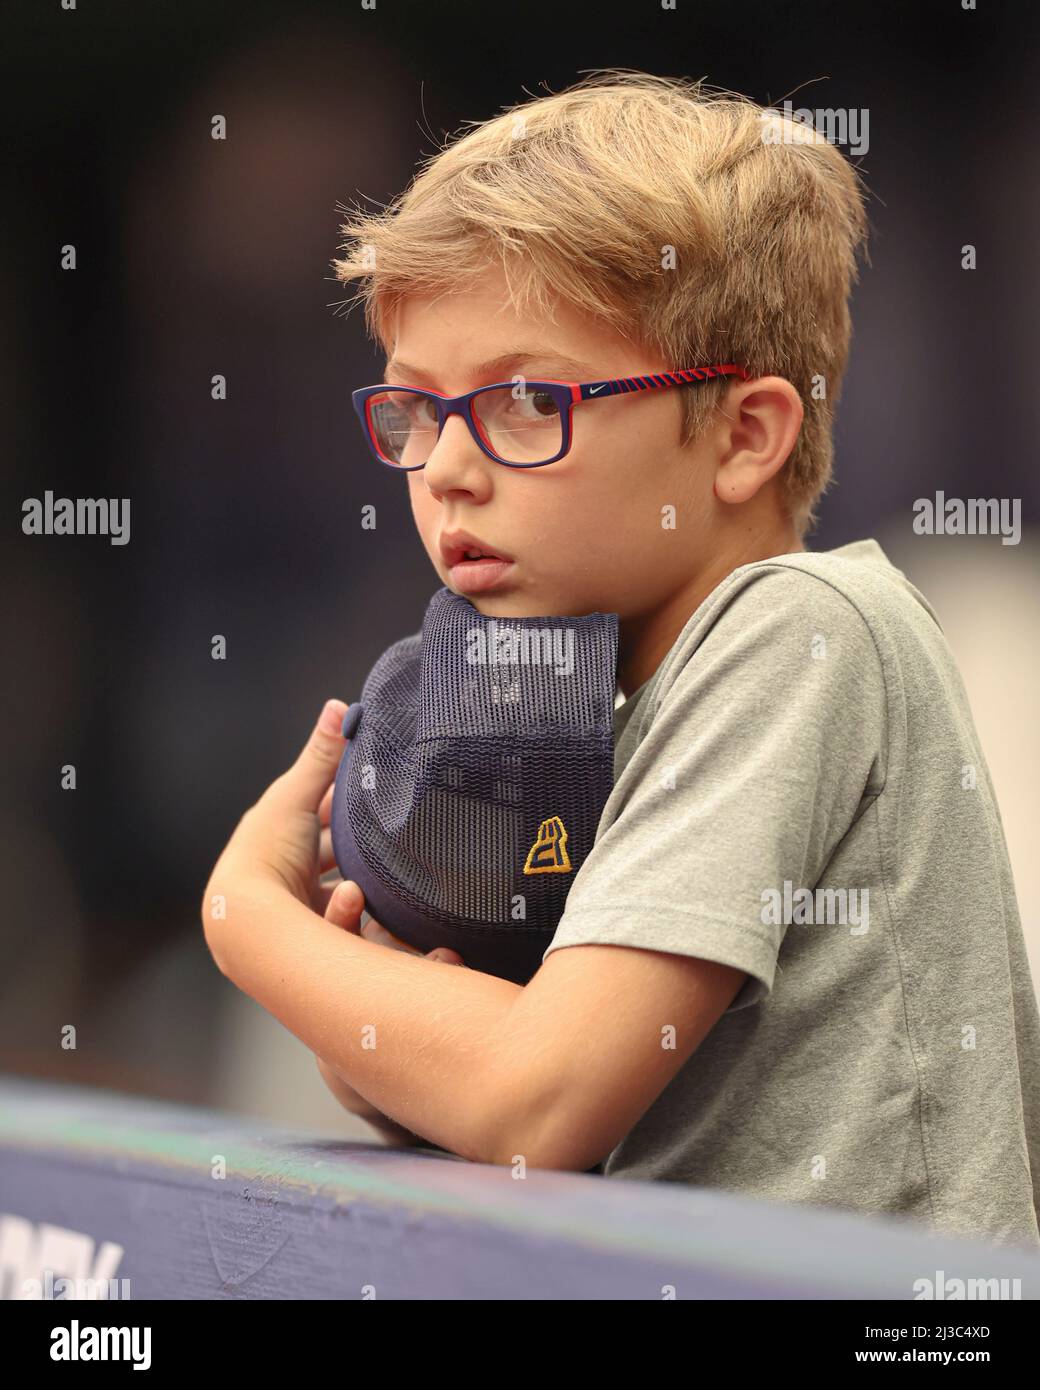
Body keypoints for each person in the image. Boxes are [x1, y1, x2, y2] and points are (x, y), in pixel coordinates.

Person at [202, 71, 1040, 1246]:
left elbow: (531, 1101)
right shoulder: (567, 697)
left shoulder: (801, 629)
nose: (443, 467)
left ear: (744, 435)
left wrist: (251, 917)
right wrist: (395, 1030)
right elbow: (536, 1127)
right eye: (413, 411)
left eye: (527, 401)